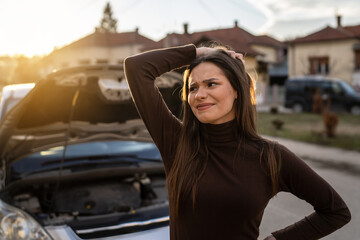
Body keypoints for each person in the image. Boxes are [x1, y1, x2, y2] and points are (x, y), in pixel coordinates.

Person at [124, 44, 351, 240]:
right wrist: (201, 52)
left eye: (211, 84)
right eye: (193, 88)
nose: (199, 94)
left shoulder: (270, 156)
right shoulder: (176, 142)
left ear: (237, 91)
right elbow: (136, 69)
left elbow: (335, 211)